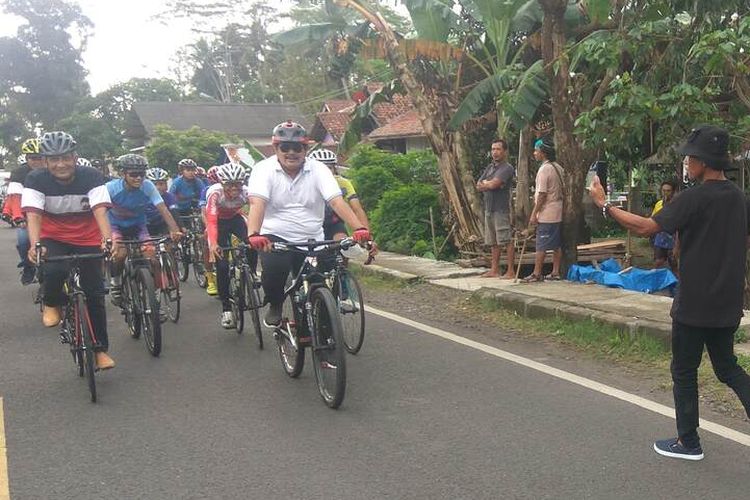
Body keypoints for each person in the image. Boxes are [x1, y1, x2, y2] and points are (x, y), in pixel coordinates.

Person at [589, 124, 750, 461]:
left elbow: (647, 227)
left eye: (690, 158)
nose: (686, 163)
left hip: (694, 303)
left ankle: (688, 442)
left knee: (683, 369)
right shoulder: (738, 198)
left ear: (703, 162)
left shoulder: (692, 198)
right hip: (727, 302)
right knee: (728, 368)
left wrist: (605, 205)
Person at [245, 121, 371, 327]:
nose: (291, 152)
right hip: (275, 236)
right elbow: (257, 204)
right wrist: (254, 234)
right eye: (285, 147)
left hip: (313, 237)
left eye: (298, 147)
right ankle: (275, 304)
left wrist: (359, 228)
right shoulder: (263, 170)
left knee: (321, 288)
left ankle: (326, 341)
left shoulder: (319, 169)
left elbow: (336, 201)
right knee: (275, 272)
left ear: (306, 149)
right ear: (275, 148)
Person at [22, 131, 116, 369]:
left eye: (65, 158)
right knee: (54, 268)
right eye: (54, 159)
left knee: (95, 294)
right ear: (45, 162)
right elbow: (33, 214)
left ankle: (99, 351)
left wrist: (107, 239)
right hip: (53, 237)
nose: (60, 164)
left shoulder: (92, 176)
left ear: (75, 157)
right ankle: (52, 301)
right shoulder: (35, 179)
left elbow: (100, 211)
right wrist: (35, 244)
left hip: (87, 237)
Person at [107, 154, 182, 306]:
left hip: (138, 226)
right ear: (123, 174)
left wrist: (174, 230)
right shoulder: (111, 188)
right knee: (120, 254)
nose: (138, 178)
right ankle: (116, 283)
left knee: (152, 257)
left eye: (141, 174)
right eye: (133, 174)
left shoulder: (148, 186)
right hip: (115, 226)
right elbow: (99, 212)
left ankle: (154, 299)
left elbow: (163, 210)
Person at [205, 163, 254, 328]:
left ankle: (251, 273)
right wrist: (213, 244)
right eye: (229, 185)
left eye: (238, 184)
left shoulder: (247, 192)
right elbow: (211, 220)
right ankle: (226, 309)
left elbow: (258, 212)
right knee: (222, 264)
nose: (234, 188)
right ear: (222, 183)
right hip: (218, 223)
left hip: (235, 219)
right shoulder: (214, 193)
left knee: (253, 242)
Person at [2, 138, 46, 285]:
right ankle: (28, 267)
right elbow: (15, 198)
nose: (37, 161)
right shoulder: (19, 174)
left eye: (40, 158)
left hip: (50, 214)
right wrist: (19, 217)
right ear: (26, 158)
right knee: (23, 240)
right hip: (27, 215)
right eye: (32, 158)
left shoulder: (52, 170)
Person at [522, 137, 564, 282]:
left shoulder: (544, 170)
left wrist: (534, 213)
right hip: (558, 210)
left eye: (536, 150)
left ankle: (537, 273)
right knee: (556, 244)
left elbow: (542, 194)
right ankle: (555, 271)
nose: (534, 153)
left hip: (547, 212)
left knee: (542, 244)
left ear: (543, 153)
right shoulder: (558, 168)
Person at [307, 149, 370, 240]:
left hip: (334, 224)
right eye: (321, 167)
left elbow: (357, 209)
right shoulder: (304, 183)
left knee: (342, 243)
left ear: (334, 168)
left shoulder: (343, 183)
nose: (325, 171)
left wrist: (366, 236)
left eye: (329, 167)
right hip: (309, 225)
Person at [476, 139, 516, 279]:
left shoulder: (507, 168)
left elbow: (494, 185)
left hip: (501, 209)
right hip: (489, 208)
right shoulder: (490, 168)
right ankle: (494, 269)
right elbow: (478, 184)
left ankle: (510, 271)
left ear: (504, 151)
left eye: (498, 149)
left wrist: (488, 184)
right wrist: (489, 183)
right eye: (493, 149)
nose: (495, 152)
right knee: (493, 241)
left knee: (505, 240)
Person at [199, 165, 222, 296]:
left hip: (227, 220)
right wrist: (208, 226)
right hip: (211, 219)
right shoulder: (207, 190)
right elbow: (204, 212)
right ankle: (210, 279)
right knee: (206, 239)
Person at [650, 179, 677, 270]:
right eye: (664, 190)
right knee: (658, 262)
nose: (666, 193)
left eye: (668, 191)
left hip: (672, 238)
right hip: (660, 238)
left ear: (673, 192)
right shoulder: (659, 204)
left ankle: (678, 282)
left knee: (674, 264)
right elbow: (652, 219)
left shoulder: (677, 205)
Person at [144, 167, 179, 237]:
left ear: (166, 185)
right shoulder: (142, 196)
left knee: (170, 241)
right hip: (145, 225)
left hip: (161, 223)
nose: (158, 187)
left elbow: (174, 213)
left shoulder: (170, 197)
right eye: (154, 184)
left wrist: (178, 228)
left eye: (161, 184)